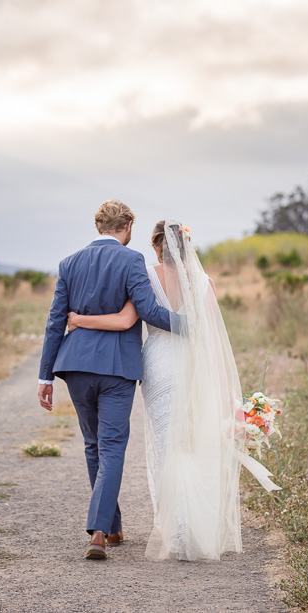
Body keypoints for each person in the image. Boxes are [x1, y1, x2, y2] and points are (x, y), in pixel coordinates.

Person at [68, 220, 280, 561]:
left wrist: (79, 320)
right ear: (189, 249)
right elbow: (210, 338)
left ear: (156, 248)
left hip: (158, 365)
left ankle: (177, 527)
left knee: (168, 445)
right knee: (192, 443)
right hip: (192, 365)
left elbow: (124, 320)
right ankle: (193, 526)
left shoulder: (146, 275)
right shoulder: (203, 282)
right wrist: (225, 387)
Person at [37, 201, 178, 561]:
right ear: (128, 225)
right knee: (111, 446)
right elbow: (147, 312)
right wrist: (191, 326)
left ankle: (112, 528)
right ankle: (98, 532)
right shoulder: (131, 261)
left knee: (93, 445)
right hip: (117, 367)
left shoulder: (69, 263)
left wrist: (45, 376)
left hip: (75, 365)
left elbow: (56, 321)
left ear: (99, 225)